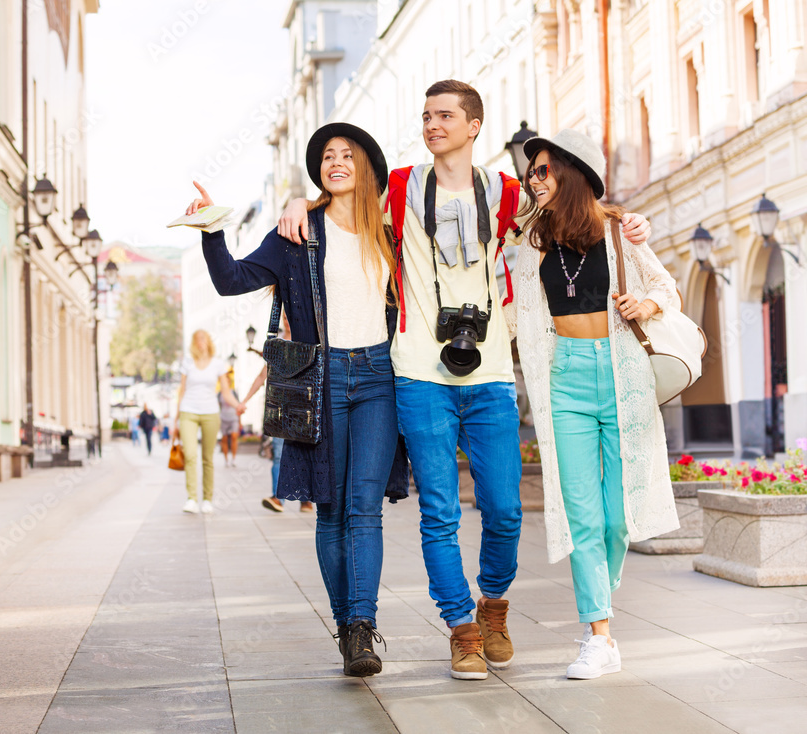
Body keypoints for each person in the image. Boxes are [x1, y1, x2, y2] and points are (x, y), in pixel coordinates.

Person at [278, 80, 652, 680]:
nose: (432, 124)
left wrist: (624, 217)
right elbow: (343, 199)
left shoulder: (506, 191)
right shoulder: (399, 186)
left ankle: (495, 605)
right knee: (440, 514)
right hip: (419, 374)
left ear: (474, 126)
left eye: (445, 115)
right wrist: (302, 201)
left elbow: (570, 210)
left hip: (492, 375)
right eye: (425, 115)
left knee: (504, 510)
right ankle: (462, 628)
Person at [183, 122, 409, 677]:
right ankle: (348, 630)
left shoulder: (390, 229)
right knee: (330, 511)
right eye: (327, 155)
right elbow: (231, 280)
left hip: (380, 374)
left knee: (364, 509)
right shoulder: (297, 230)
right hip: (322, 378)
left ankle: (362, 623)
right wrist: (213, 229)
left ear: (365, 167)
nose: (336, 161)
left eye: (346, 154)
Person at [506, 129, 679, 679]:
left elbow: (667, 289)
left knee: (616, 517)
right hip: (566, 379)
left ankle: (600, 606)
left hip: (622, 373)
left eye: (543, 170)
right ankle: (597, 634)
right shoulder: (529, 240)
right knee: (580, 510)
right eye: (531, 171)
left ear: (573, 173)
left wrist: (645, 303)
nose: (534, 179)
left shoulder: (619, 231)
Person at [175, 330, 245, 514]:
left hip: (210, 413)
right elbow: (181, 391)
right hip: (188, 411)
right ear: (193, 342)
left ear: (208, 341)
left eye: (203, 338)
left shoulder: (218, 364)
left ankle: (207, 499)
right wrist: (174, 421)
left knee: (208, 458)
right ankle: (191, 498)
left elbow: (226, 392)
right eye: (197, 339)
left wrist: (238, 405)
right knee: (190, 455)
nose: (200, 342)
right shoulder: (187, 363)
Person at [241, 341, 313, 514]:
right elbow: (261, 377)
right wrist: (244, 401)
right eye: (285, 316)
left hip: (304, 408)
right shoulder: (279, 346)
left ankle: (305, 500)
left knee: (303, 454)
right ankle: (277, 498)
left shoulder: (309, 337)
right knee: (278, 454)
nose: (288, 320)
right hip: (281, 410)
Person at [218, 373, 241, 467]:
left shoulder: (234, 393)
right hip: (223, 418)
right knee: (224, 439)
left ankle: (234, 458)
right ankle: (226, 459)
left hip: (234, 418)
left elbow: (238, 407)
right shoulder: (219, 394)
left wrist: (240, 421)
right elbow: (218, 407)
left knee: (234, 436)